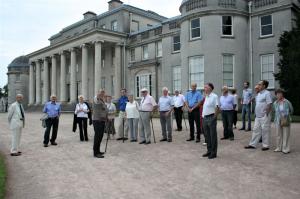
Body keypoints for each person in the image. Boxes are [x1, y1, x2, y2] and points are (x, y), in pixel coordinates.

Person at [245, 80, 273, 151]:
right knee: (255, 130)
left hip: (264, 116)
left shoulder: (267, 93)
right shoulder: (259, 94)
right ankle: (252, 144)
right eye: (258, 84)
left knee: (265, 130)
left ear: (264, 86)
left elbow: (269, 104)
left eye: (260, 84)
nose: (258, 85)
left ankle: (265, 145)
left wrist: (266, 114)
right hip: (258, 116)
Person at [273, 89, 293, 154]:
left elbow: (291, 110)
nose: (278, 95)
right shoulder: (275, 103)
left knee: (286, 134)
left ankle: (286, 149)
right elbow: (274, 111)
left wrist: (287, 115)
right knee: (278, 134)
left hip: (285, 119)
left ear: (282, 94)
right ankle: (278, 147)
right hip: (278, 120)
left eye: (280, 93)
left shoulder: (287, 102)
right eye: (277, 94)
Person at [202, 83, 219, 159]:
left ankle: (213, 152)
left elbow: (217, 107)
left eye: (205, 87)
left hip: (211, 117)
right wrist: (203, 117)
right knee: (207, 136)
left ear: (210, 88)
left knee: (213, 136)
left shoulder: (214, 96)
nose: (204, 88)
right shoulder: (206, 96)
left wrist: (214, 117)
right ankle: (209, 151)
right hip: (205, 118)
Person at [92, 90, 108, 158]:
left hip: (102, 120)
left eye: (103, 93)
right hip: (97, 120)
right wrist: (98, 95)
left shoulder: (102, 100)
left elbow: (104, 110)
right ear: (98, 93)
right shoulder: (96, 99)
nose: (102, 94)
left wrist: (107, 117)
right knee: (97, 136)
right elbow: (96, 99)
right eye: (101, 93)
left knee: (100, 136)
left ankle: (98, 151)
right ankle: (95, 153)